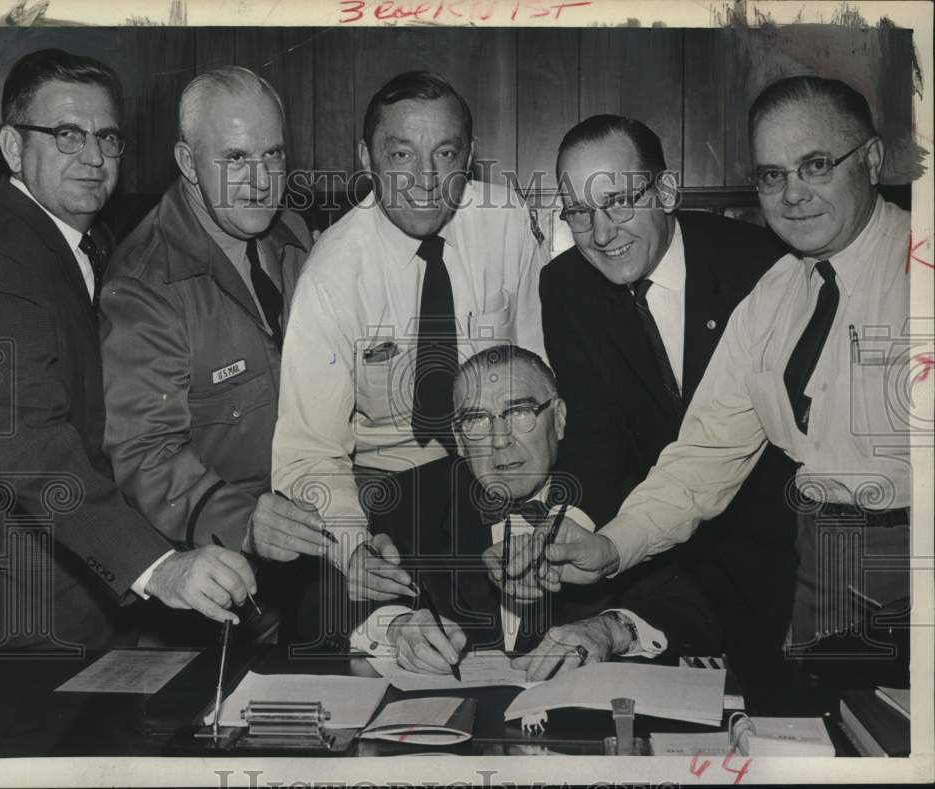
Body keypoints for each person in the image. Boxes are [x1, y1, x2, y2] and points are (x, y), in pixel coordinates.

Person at [504, 76, 912, 652]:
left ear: (870, 160)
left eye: (816, 166)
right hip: (822, 567)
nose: (792, 195)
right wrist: (612, 546)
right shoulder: (777, 294)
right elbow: (707, 453)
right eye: (772, 175)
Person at [0, 49, 255, 654]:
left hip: (79, 595)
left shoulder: (84, 239)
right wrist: (157, 567)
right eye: (67, 135)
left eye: (108, 138)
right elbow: (32, 450)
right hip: (25, 620)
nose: (94, 158)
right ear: (14, 148)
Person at [272, 71, 548, 602]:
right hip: (387, 488)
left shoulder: (507, 222)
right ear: (366, 158)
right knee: (383, 623)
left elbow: (542, 375)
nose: (425, 179)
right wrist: (354, 547)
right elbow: (309, 449)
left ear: (470, 156)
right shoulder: (331, 273)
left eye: (445, 154)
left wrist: (532, 513)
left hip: (500, 470)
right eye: (401, 155)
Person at [538, 115, 797, 671]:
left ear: (667, 190)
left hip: (782, 552)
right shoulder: (565, 287)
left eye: (618, 203)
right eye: (579, 212)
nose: (601, 233)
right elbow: (593, 436)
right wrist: (565, 532)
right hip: (651, 563)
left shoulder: (763, 267)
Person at [100, 66, 334, 643]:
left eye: (273, 155)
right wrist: (244, 521)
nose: (260, 180)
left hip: (314, 559)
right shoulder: (145, 281)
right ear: (187, 162)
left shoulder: (294, 235)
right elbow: (144, 452)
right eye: (235, 158)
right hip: (210, 591)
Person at [350, 346, 721, 681]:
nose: (500, 439)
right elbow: (333, 602)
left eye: (520, 412)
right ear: (459, 439)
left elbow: (695, 613)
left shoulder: (625, 500)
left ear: (558, 419)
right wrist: (394, 626)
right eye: (477, 419)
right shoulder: (411, 498)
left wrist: (609, 630)